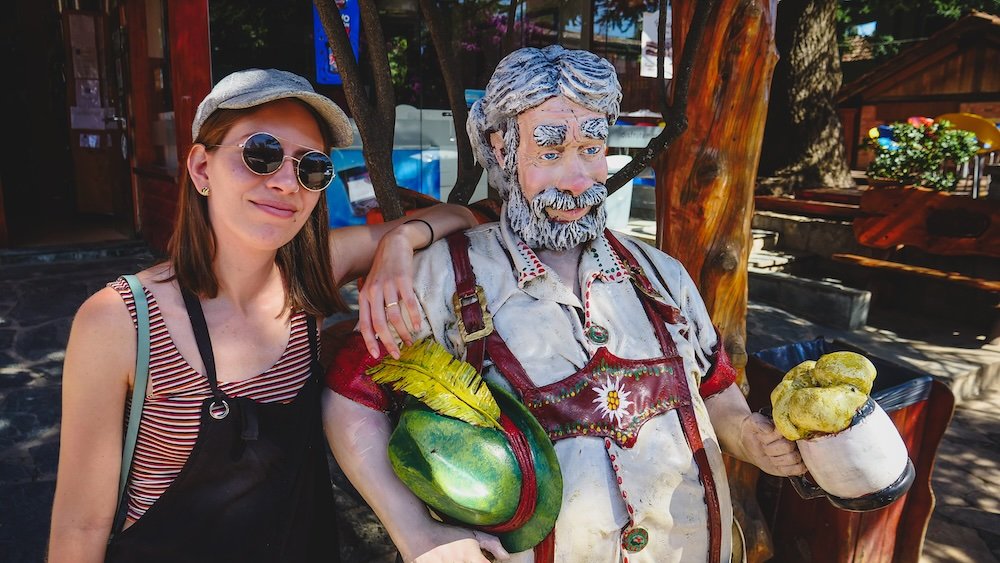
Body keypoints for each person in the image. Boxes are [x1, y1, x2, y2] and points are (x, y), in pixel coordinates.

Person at [324, 46, 806, 563]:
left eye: (592, 147)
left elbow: (715, 390)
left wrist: (752, 439)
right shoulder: (443, 278)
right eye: (551, 154)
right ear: (501, 148)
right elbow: (352, 399)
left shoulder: (662, 276)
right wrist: (414, 531)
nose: (579, 179)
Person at [47, 68, 477, 562]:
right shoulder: (118, 321)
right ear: (202, 169)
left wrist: (401, 239)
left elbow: (469, 215)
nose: (286, 183)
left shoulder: (310, 280)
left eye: (310, 167)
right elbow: (78, 532)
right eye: (262, 154)